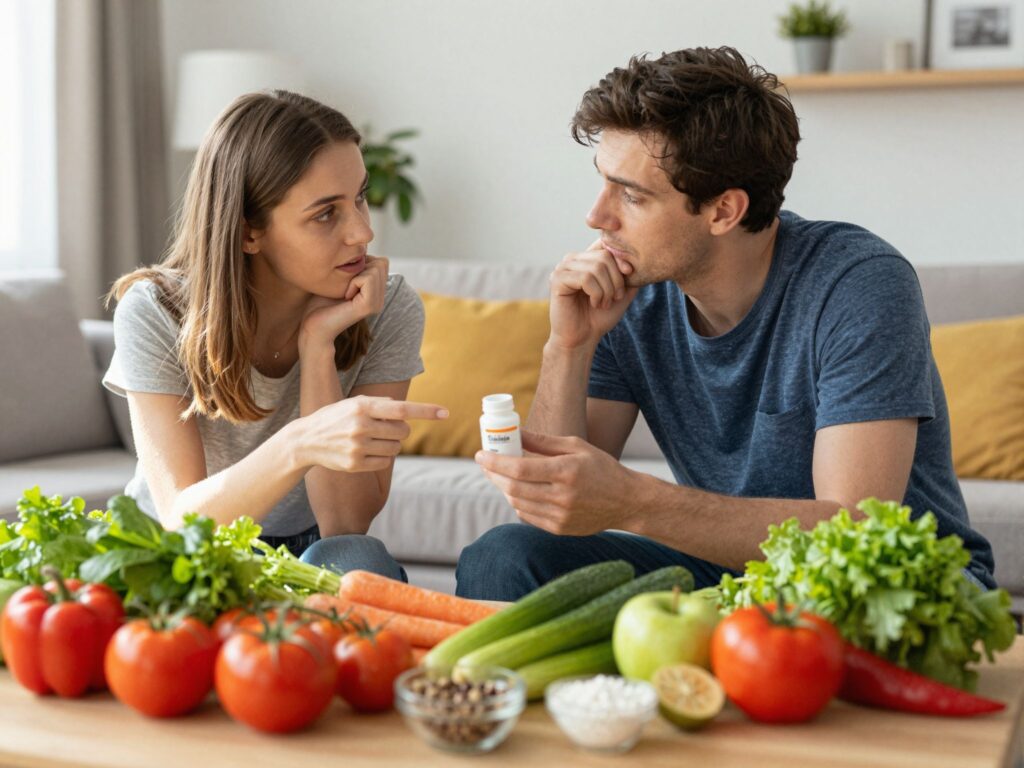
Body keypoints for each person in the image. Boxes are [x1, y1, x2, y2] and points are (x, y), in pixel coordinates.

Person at [456, 47, 995, 600]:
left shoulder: (857, 282)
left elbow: (854, 531)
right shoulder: (630, 291)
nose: (596, 217)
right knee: (507, 557)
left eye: (631, 195)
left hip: (893, 584)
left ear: (723, 211)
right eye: (603, 183)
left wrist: (636, 502)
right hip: (733, 575)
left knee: (830, 613)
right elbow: (552, 514)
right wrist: (568, 345)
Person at [103, 90, 447, 579]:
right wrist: (302, 442)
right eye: (326, 213)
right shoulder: (157, 311)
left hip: (309, 546)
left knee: (359, 563)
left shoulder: (386, 307)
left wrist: (318, 346)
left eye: (360, 198)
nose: (362, 233)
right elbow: (182, 523)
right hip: (181, 547)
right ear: (248, 233)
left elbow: (345, 522)